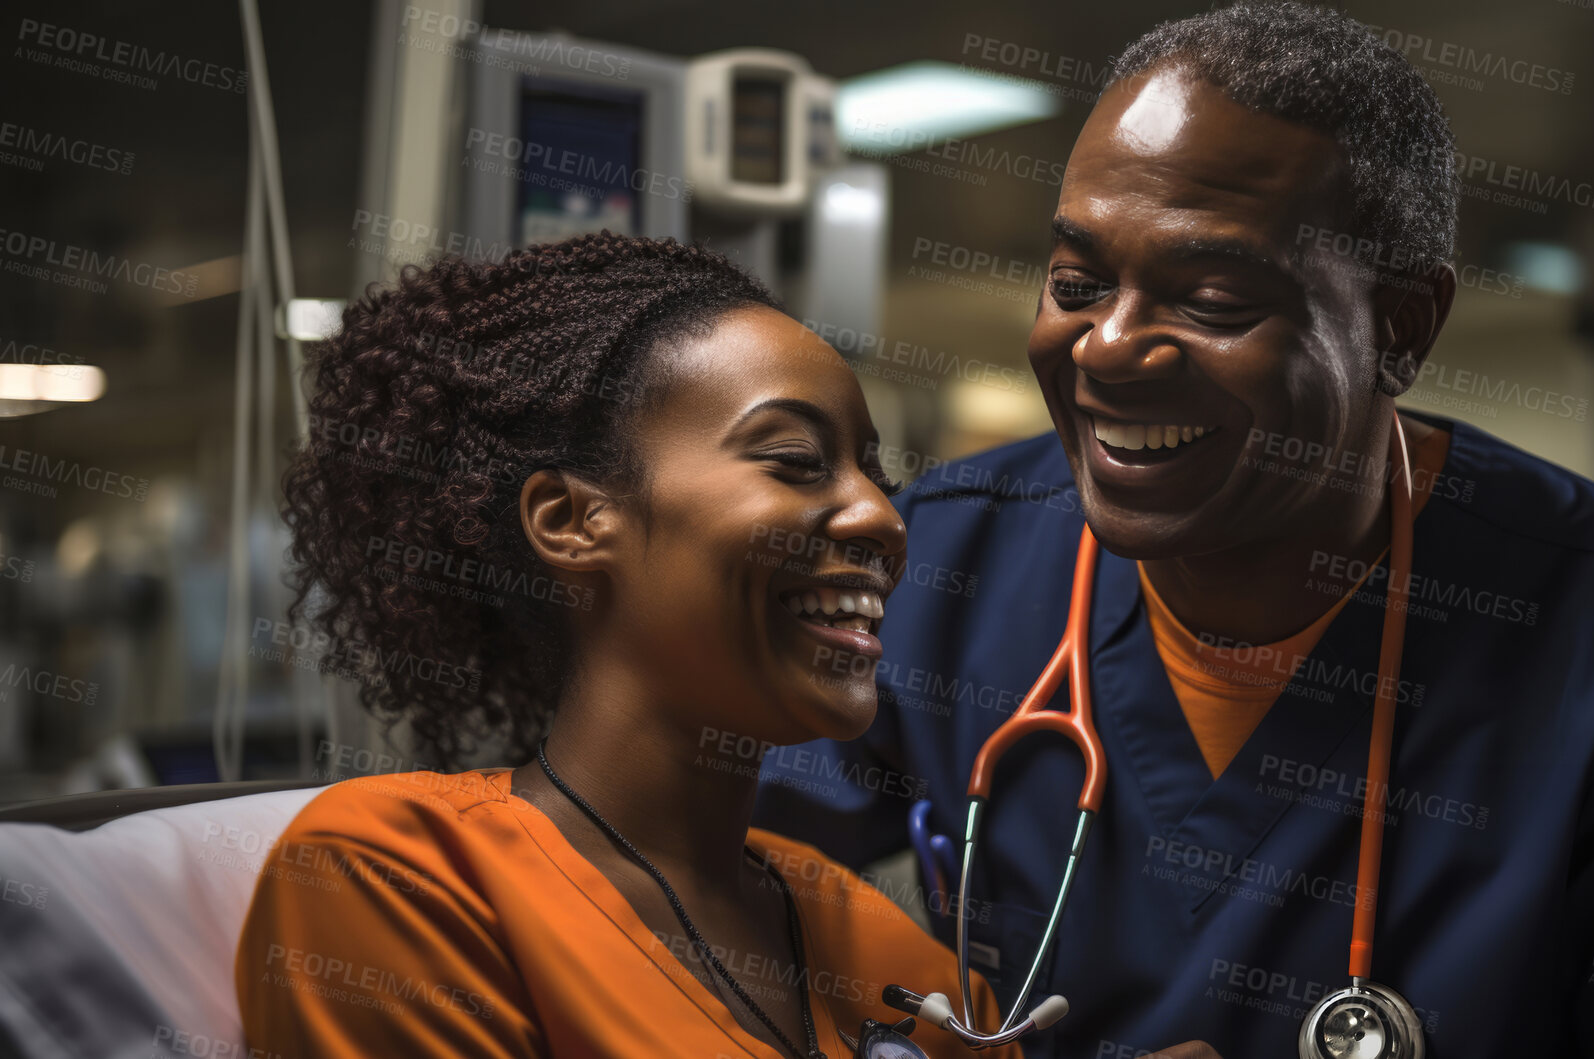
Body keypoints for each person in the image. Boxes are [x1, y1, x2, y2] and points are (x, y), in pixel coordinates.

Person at [755, 4, 1594, 1056]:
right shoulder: (941, 563)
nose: (1106, 348)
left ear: (1398, 327)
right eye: (1075, 281)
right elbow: (711, 904)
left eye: (1209, 301)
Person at [234, 233, 1022, 1058]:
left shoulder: (889, 955)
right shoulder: (401, 880)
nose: (884, 521)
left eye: (877, 478)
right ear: (572, 522)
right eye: (796, 461)